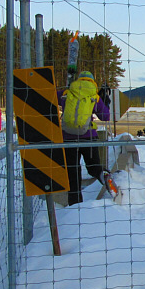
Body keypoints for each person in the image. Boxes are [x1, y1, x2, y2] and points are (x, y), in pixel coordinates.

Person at [58, 71, 111, 205]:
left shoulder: (67, 93)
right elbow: (105, 117)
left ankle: (74, 206)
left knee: (72, 173)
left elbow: (49, 99)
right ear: (92, 82)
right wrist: (104, 101)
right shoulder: (94, 95)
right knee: (94, 167)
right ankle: (104, 177)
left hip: (68, 137)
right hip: (88, 137)